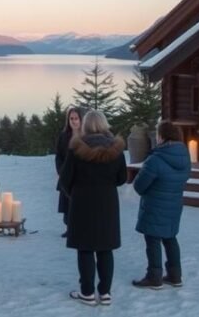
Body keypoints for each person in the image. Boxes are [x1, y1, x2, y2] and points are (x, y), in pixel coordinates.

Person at [59, 110, 127, 307]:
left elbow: (65, 180)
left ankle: (87, 292)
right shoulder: (116, 149)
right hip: (108, 204)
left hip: (82, 204)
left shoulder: (76, 148)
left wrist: (75, 194)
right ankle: (105, 292)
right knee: (106, 248)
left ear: (86, 125)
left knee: (85, 248)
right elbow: (122, 178)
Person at [131, 121, 190, 288]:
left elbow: (139, 186)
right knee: (170, 238)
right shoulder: (184, 157)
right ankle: (175, 275)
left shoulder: (155, 160)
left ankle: (154, 276)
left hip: (155, 206)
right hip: (174, 205)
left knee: (153, 239)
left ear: (162, 137)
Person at [54, 106, 85, 237]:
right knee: (67, 205)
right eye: (71, 118)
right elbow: (58, 156)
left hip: (82, 177)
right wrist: (62, 172)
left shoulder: (86, 136)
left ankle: (81, 228)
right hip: (66, 177)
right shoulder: (63, 136)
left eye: (76, 118)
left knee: (81, 204)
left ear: (81, 119)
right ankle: (70, 228)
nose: (73, 121)